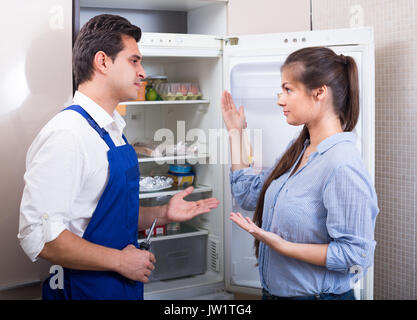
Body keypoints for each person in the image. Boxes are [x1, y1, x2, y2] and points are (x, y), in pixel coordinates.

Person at [18, 14, 219, 300]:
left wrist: (162, 213)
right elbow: (40, 238)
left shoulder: (111, 129)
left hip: (119, 288)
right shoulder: (68, 135)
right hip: (83, 291)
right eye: (134, 60)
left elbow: (102, 214)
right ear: (102, 62)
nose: (142, 72)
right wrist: (120, 261)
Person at [221, 46, 379, 300]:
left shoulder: (342, 164)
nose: (279, 99)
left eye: (288, 89)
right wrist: (235, 133)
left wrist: (283, 246)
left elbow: (356, 256)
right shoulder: (299, 151)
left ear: (319, 93)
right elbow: (247, 195)